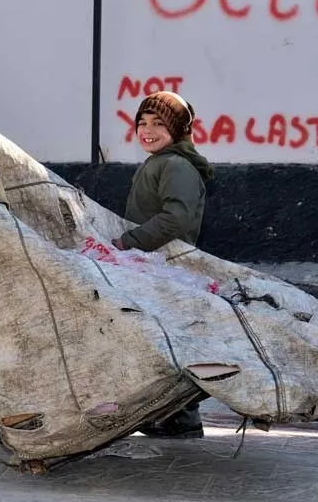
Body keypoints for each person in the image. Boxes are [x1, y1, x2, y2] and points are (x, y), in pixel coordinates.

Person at [112, 90, 214, 438]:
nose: (147, 130)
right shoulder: (160, 161)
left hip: (168, 268)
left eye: (158, 123)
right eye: (142, 123)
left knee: (172, 340)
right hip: (152, 266)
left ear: (178, 128)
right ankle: (168, 416)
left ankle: (183, 419)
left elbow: (176, 218)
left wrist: (128, 242)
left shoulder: (175, 165)